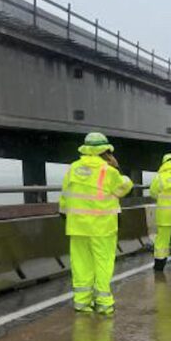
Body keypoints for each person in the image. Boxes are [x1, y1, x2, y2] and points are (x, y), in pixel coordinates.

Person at [59, 132, 133, 314]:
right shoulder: (108, 171)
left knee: (80, 264)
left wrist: (64, 213)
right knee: (103, 263)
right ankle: (104, 303)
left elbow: (64, 196)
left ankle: (82, 303)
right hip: (102, 227)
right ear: (106, 151)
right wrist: (123, 175)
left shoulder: (73, 169)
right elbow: (123, 189)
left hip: (77, 226)